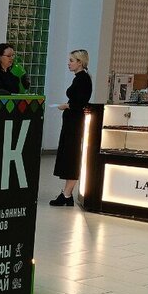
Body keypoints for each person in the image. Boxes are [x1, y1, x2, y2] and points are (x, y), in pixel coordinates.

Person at [51, 49, 93, 206]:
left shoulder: (82, 79)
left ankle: (67, 194)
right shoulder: (80, 78)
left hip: (75, 124)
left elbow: (79, 103)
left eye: (71, 60)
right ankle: (67, 193)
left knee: (72, 155)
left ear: (80, 62)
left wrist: (67, 106)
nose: (69, 63)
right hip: (72, 123)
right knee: (69, 155)